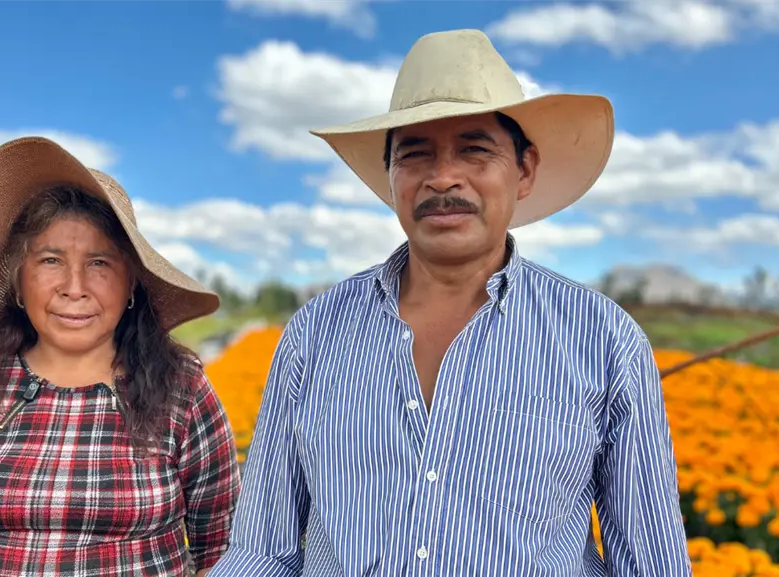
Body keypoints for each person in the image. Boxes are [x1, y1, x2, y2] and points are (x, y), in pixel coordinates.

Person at [209, 29, 691, 576]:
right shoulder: (316, 332)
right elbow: (263, 551)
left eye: (474, 150)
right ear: (391, 177)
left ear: (524, 170)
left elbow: (652, 562)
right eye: (415, 154)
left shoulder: (603, 339)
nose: (442, 178)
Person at [0, 137, 242, 577]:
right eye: (50, 260)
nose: (74, 287)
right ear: (18, 282)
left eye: (99, 263)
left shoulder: (180, 389)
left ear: (132, 284)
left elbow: (223, 547)